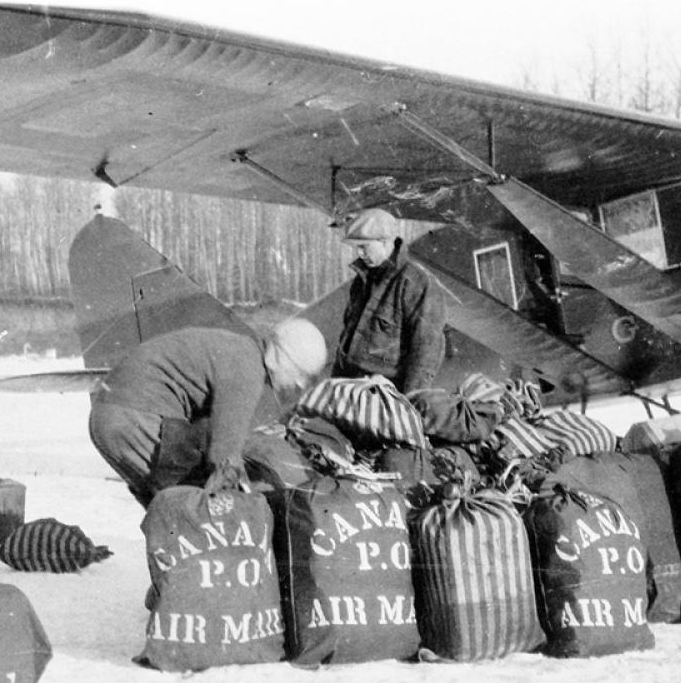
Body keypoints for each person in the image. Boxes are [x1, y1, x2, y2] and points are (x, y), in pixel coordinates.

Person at [88, 318, 327, 508]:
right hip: (136, 415)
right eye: (298, 378)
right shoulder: (248, 368)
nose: (295, 388)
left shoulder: (239, 350)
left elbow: (210, 433)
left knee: (175, 514)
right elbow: (223, 453)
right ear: (278, 359)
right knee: (196, 509)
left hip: (111, 415)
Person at [333, 208, 446, 393]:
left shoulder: (416, 283)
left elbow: (426, 352)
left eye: (364, 246)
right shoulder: (360, 283)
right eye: (356, 248)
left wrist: (408, 404)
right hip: (353, 391)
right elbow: (345, 345)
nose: (360, 254)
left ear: (384, 242)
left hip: (388, 395)